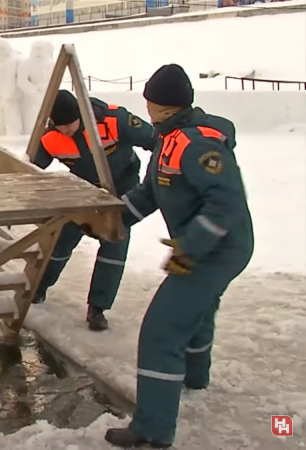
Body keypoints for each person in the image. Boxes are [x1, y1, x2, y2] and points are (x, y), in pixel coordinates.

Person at [104, 64, 253, 448]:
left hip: (216, 249)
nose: (147, 107)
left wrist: (191, 246)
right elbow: (152, 192)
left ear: (160, 104)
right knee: (197, 310)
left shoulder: (196, 144)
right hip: (205, 246)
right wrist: (113, 219)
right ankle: (194, 376)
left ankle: (152, 429)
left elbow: (227, 203)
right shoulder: (168, 138)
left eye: (151, 101)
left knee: (162, 329)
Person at [30, 90, 156, 331]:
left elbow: (156, 141)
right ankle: (38, 288)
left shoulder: (113, 120)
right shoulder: (50, 137)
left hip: (121, 192)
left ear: (80, 114)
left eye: (70, 124)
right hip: (84, 192)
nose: (66, 130)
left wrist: (149, 186)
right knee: (60, 240)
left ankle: (97, 308)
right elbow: (30, 167)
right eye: (60, 125)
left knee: (114, 246)